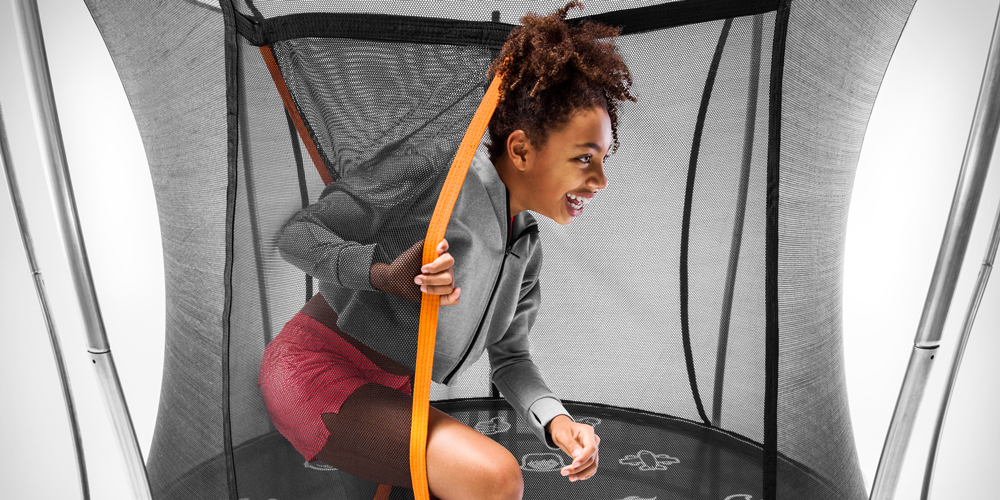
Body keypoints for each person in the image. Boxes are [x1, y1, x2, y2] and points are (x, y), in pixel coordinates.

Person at [258, 2, 635, 499]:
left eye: (604, 159)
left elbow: (511, 359)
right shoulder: (440, 166)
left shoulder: (526, 244)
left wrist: (557, 422)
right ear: (521, 150)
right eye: (585, 158)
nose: (600, 181)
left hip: (398, 392)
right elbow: (298, 235)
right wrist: (379, 274)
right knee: (495, 477)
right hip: (316, 368)